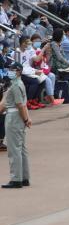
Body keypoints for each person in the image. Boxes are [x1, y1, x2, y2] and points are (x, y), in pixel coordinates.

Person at [2, 60, 32, 188]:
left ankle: (16, 179)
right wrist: (26, 118)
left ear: (18, 72)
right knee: (21, 149)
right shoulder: (19, 83)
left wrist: (26, 119)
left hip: (14, 117)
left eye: (12, 70)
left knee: (14, 149)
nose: (10, 72)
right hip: (18, 116)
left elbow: (20, 104)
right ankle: (24, 177)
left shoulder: (15, 85)